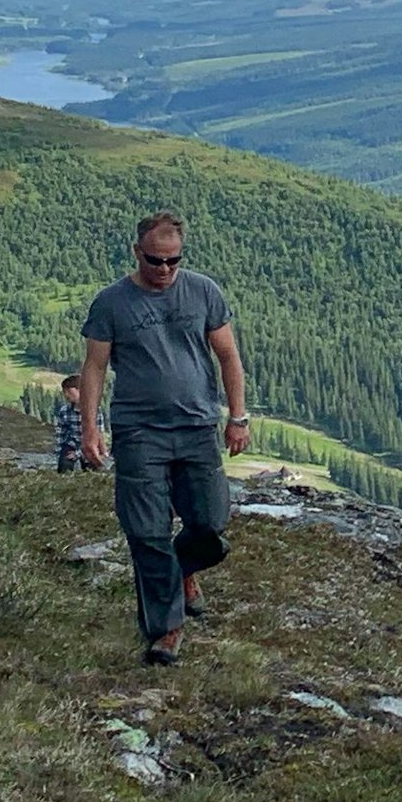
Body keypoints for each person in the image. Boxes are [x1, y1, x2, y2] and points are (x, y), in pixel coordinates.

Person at [74, 212, 251, 664]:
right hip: (138, 433)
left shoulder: (204, 291)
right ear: (137, 252)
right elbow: (94, 368)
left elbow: (228, 355)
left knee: (211, 523)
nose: (165, 270)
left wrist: (239, 417)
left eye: (174, 261)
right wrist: (90, 427)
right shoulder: (112, 303)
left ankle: (184, 568)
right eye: (155, 260)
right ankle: (165, 631)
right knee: (147, 532)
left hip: (197, 428)